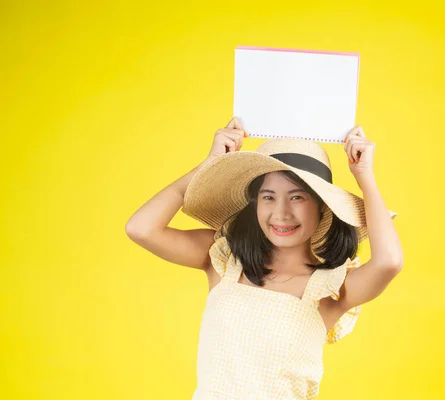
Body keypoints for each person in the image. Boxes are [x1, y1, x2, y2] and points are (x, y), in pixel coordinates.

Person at [125, 117, 404, 399]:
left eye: (297, 197)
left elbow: (389, 262)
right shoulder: (224, 260)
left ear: (323, 207)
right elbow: (141, 229)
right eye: (268, 197)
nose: (281, 213)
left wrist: (365, 175)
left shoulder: (330, 289)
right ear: (255, 204)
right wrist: (208, 164)